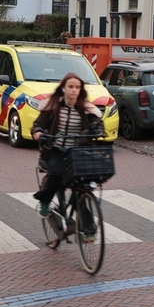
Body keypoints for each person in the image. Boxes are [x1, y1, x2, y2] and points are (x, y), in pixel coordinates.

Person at [31, 72, 104, 221]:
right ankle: (45, 201)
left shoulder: (86, 109)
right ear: (63, 88)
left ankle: (87, 226)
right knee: (56, 174)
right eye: (70, 86)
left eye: (77, 87)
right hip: (55, 150)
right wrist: (38, 132)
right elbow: (38, 124)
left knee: (81, 187)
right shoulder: (52, 106)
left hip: (77, 152)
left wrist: (97, 129)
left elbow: (97, 124)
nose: (74, 90)